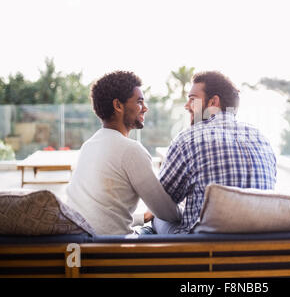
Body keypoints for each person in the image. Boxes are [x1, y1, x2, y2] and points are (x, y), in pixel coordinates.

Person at [153, 71, 277, 234]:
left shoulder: (189, 138)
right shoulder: (262, 138)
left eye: (192, 99)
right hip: (258, 243)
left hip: (206, 248)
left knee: (157, 218)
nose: (186, 106)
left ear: (213, 101)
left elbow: (161, 202)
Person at [66, 71, 181, 235]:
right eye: (139, 102)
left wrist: (142, 217)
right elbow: (166, 212)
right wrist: (189, 212)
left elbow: (100, 211)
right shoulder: (131, 150)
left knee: (151, 222)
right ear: (118, 106)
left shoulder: (89, 145)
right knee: (164, 225)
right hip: (115, 251)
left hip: (83, 243)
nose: (145, 108)